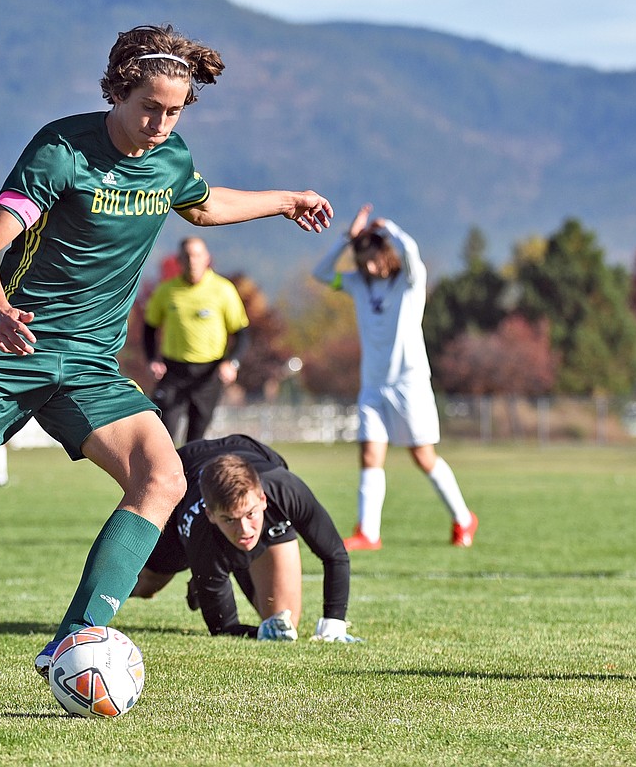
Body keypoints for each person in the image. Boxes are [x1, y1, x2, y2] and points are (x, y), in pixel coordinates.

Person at [0, 24, 333, 680]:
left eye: (173, 111)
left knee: (163, 478)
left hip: (90, 366)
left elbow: (206, 207)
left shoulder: (171, 160)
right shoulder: (61, 149)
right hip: (8, 348)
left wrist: (286, 200)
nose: (159, 122)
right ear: (119, 92)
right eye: (148, 106)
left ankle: (74, 641)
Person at [312, 203, 477, 551]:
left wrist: (392, 230)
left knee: (423, 456)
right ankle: (368, 533)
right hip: (373, 385)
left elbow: (412, 253)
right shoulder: (358, 284)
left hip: (409, 383)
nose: (369, 266)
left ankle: (464, 518)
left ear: (385, 251)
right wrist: (348, 238)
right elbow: (322, 273)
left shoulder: (409, 282)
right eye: (363, 260)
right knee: (370, 455)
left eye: (373, 257)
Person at [133, 434, 361, 642]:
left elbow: (335, 555)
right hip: (183, 473)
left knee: (283, 622)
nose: (245, 530)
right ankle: (205, 579)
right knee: (149, 584)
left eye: (250, 514)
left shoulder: (285, 490)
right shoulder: (200, 533)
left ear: (262, 500)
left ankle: (208, 578)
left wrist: (334, 624)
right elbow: (223, 627)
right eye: (230, 519)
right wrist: (259, 633)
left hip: (248, 449)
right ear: (211, 515)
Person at [143, 237, 249, 444]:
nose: (193, 261)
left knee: (196, 440)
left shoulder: (223, 289)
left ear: (207, 258)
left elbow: (242, 333)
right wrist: (152, 360)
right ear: (179, 260)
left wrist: (232, 363)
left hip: (208, 374)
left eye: (198, 255)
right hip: (174, 371)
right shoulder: (166, 291)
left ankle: (190, 476)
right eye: (187, 256)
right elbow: (149, 327)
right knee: (162, 435)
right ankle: (162, 475)